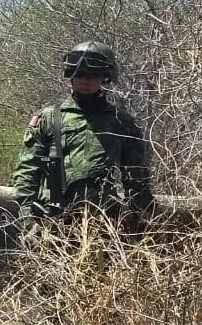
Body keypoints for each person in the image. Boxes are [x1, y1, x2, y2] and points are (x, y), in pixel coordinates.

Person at [12, 41, 154, 228]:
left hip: (105, 222)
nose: (85, 80)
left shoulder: (122, 122)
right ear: (70, 75)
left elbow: (136, 177)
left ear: (105, 77)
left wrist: (140, 219)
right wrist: (28, 220)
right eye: (79, 73)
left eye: (92, 74)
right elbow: (27, 171)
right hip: (53, 221)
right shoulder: (48, 118)